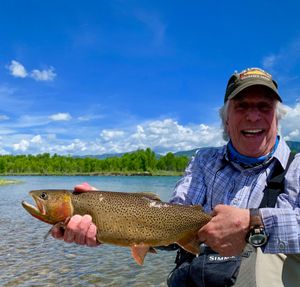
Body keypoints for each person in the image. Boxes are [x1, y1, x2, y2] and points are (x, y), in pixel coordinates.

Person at [52, 68, 300, 286]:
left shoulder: (296, 167)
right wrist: (108, 213)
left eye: (264, 106)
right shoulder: (204, 161)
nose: (253, 116)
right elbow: (170, 221)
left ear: (277, 119)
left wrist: (254, 223)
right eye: (242, 105)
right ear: (226, 120)